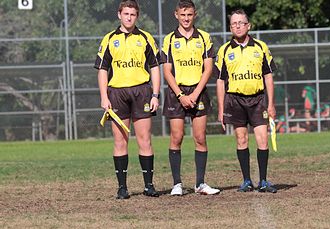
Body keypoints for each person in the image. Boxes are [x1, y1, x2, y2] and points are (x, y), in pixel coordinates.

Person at [94, 0, 160, 199]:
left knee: (144, 140)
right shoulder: (109, 39)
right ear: (119, 15)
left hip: (142, 92)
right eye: (126, 14)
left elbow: (155, 67)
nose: (129, 17)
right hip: (117, 94)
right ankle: (122, 188)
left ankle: (149, 185)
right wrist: (104, 97)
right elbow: (102, 69)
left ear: (136, 16)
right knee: (120, 141)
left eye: (133, 14)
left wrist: (155, 94)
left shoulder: (146, 38)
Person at [160, 0, 220, 196]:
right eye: (182, 14)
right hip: (177, 93)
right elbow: (167, 71)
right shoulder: (169, 39)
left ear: (195, 15)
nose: (186, 18)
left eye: (190, 15)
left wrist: (194, 94)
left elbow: (209, 68)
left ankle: (200, 184)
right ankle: (177, 184)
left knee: (200, 138)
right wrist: (180, 95)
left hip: (198, 91)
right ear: (176, 15)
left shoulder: (204, 37)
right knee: (176, 137)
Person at [215, 9, 277, 193]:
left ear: (248, 25)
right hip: (235, 100)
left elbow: (268, 76)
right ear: (230, 27)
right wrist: (221, 109)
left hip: (258, 100)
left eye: (241, 23)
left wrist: (271, 104)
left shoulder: (260, 47)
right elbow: (220, 81)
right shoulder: (224, 50)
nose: (238, 26)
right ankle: (247, 180)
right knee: (241, 139)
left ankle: (264, 180)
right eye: (234, 23)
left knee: (262, 140)